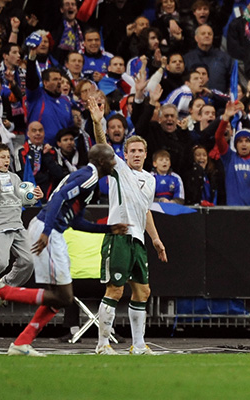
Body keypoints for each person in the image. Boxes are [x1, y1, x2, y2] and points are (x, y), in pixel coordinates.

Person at [0, 144, 126, 357]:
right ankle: (2, 291)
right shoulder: (89, 177)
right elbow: (58, 199)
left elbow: (75, 221)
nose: (116, 163)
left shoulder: (88, 178)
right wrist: (48, 232)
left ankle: (22, 342)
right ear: (103, 162)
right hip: (48, 231)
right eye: (113, 159)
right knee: (63, 296)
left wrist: (107, 229)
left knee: (59, 297)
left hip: (49, 230)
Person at [86, 100, 168, 355]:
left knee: (143, 291)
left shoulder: (150, 179)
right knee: (115, 289)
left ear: (146, 154)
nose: (135, 154)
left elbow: (145, 210)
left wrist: (155, 239)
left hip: (138, 240)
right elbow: (102, 146)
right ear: (124, 154)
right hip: (119, 237)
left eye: (139, 151)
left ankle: (139, 345)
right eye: (131, 150)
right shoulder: (118, 169)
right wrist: (98, 122)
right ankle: (102, 345)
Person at [0, 142, 43, 291]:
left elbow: (24, 200)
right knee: (1, 262)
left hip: (17, 226)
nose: (7, 160)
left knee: (29, 261)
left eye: (8, 157)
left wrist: (36, 197)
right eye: (2, 157)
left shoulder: (14, 177)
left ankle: (2, 286)